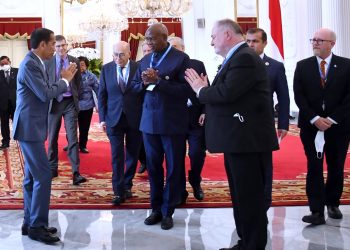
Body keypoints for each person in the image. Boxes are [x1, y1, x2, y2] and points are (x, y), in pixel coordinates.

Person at [185, 19, 279, 249]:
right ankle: (245, 242)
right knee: (241, 197)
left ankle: (253, 244)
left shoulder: (244, 58)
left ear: (227, 35)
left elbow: (227, 93)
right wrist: (208, 90)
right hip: (239, 140)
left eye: (213, 37)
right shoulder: (238, 57)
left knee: (250, 199)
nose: (211, 42)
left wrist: (201, 90)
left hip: (247, 141)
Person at [12, 27, 78, 244]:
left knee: (32, 178)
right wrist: (66, 80)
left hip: (33, 127)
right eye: (52, 45)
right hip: (29, 128)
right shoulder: (31, 63)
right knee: (43, 176)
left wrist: (60, 79)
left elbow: (46, 88)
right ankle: (37, 227)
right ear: (42, 45)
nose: (54, 49)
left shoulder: (37, 62)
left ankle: (30, 222)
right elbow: (46, 93)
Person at [132, 23, 191, 230]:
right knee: (154, 168)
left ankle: (168, 211)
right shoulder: (146, 59)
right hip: (149, 122)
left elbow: (186, 91)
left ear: (164, 37)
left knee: (174, 169)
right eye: (146, 39)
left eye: (151, 39)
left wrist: (158, 82)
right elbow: (134, 87)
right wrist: (143, 83)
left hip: (172, 123)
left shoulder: (181, 59)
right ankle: (155, 209)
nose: (147, 43)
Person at [294, 28, 350, 225]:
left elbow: (348, 98)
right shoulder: (303, 66)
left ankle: (332, 203)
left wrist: (332, 119)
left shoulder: (346, 65)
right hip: (311, 126)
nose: (315, 43)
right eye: (313, 39)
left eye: (320, 40)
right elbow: (299, 96)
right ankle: (316, 210)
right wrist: (315, 118)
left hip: (339, 127)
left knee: (336, 165)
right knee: (314, 166)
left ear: (332, 44)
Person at [246, 28, 290, 210]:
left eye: (255, 41)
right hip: (238, 123)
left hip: (263, 123)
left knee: (264, 164)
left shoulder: (275, 66)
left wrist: (284, 124)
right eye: (248, 41)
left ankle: (264, 201)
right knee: (243, 164)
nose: (250, 45)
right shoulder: (234, 63)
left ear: (264, 43)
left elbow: (284, 97)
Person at [98, 41, 143, 205]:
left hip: (135, 118)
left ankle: (127, 184)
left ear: (129, 53)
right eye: (115, 54)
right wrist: (102, 118)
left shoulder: (139, 67)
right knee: (117, 155)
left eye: (121, 54)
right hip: (113, 118)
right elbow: (102, 94)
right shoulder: (107, 68)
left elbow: (144, 94)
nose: (118, 58)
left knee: (133, 154)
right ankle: (117, 191)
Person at [168, 36, 206, 202]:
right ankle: (180, 191)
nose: (173, 50)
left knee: (197, 153)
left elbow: (206, 87)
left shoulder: (196, 64)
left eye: (176, 47)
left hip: (195, 118)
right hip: (174, 119)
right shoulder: (165, 65)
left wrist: (205, 110)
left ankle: (195, 180)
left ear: (183, 48)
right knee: (176, 157)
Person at [45, 35, 87, 185]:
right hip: (54, 103)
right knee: (52, 138)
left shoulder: (74, 61)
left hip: (70, 102)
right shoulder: (48, 62)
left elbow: (79, 83)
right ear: (54, 48)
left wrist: (77, 98)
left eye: (63, 45)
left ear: (66, 45)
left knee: (72, 138)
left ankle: (76, 172)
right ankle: (52, 168)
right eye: (58, 46)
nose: (61, 48)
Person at [77, 56, 99, 153]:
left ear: (86, 65)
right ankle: (71, 144)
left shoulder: (91, 76)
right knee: (70, 127)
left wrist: (103, 100)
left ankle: (82, 145)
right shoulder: (72, 75)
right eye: (78, 65)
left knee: (84, 127)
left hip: (87, 105)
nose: (80, 67)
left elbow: (98, 89)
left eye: (82, 65)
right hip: (73, 105)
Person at [137, 41, 153, 174]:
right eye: (145, 51)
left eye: (149, 51)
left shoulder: (160, 64)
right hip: (140, 107)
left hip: (157, 107)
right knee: (139, 140)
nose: (147, 53)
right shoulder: (138, 65)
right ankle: (143, 161)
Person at [0, 56, 18, 149]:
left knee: (18, 122)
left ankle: (20, 139)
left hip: (16, 102)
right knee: (4, 123)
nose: (4, 65)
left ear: (9, 62)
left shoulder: (17, 71)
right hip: (3, 103)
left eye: (5, 63)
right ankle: (5, 141)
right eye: (2, 64)